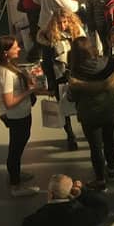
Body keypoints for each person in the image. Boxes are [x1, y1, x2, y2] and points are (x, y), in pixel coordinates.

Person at [67, 36, 114, 190]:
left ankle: (100, 180)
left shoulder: (76, 71)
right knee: (109, 139)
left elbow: (72, 97)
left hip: (89, 115)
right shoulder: (109, 62)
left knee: (95, 147)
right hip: (110, 110)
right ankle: (111, 169)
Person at [0, 35, 44, 197]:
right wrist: (29, 91)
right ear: (6, 52)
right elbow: (9, 102)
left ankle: (16, 173)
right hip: (16, 115)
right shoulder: (5, 73)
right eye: (15, 47)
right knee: (15, 149)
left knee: (17, 146)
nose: (19, 48)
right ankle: (15, 185)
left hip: (18, 113)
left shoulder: (3, 67)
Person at [36, 10, 84, 150]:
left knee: (82, 105)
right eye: (59, 23)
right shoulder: (49, 38)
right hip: (59, 77)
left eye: (65, 22)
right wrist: (51, 84)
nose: (63, 25)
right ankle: (70, 136)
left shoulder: (77, 34)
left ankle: (87, 130)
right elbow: (47, 63)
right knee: (63, 108)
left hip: (77, 75)